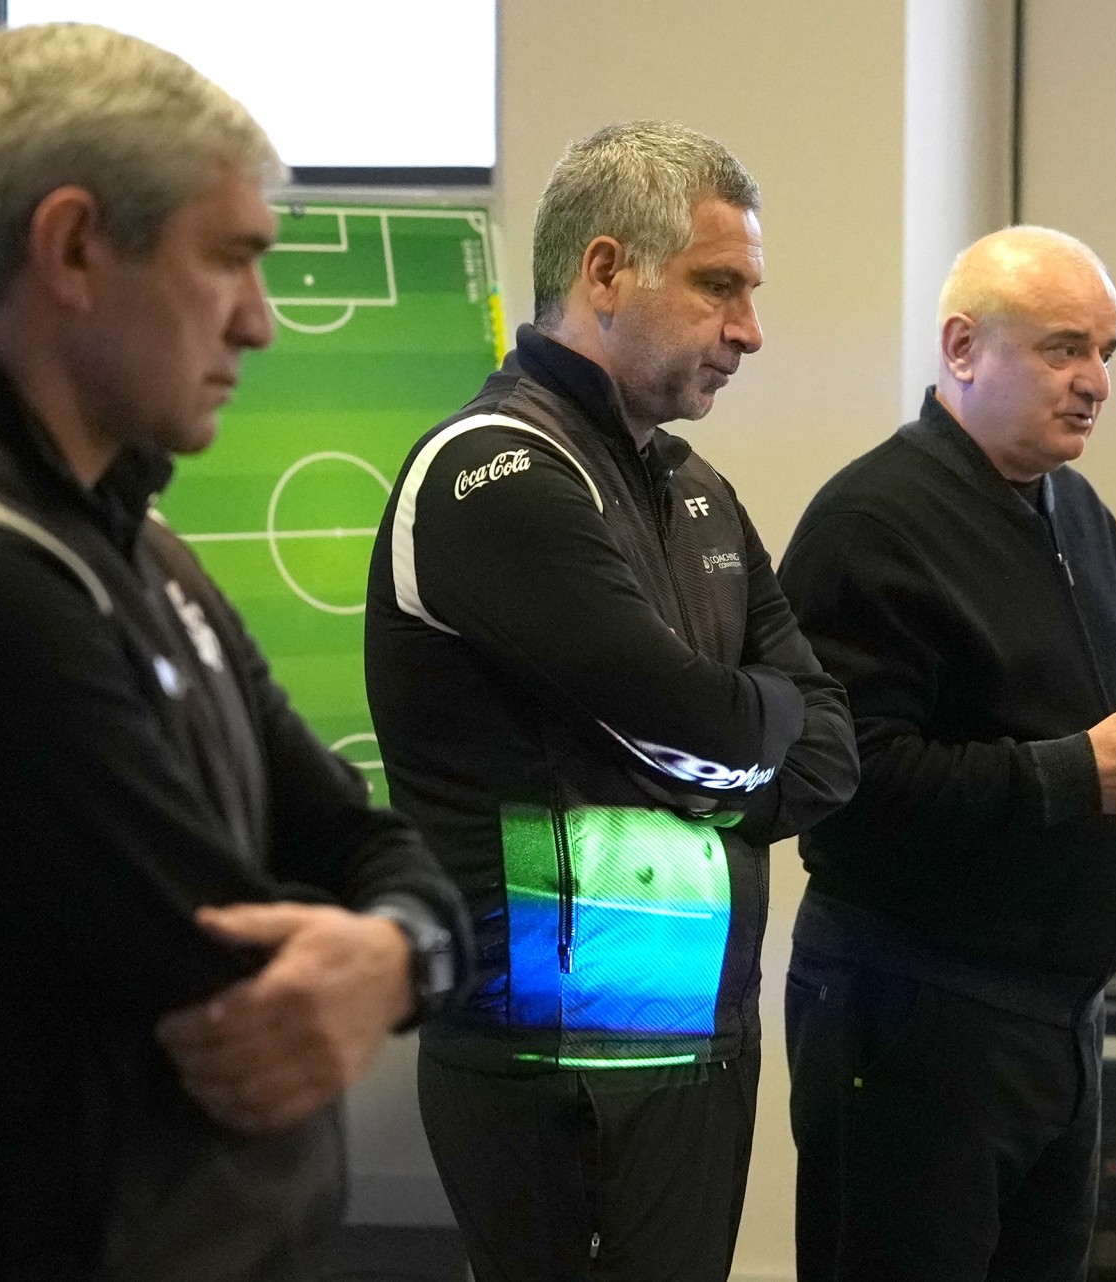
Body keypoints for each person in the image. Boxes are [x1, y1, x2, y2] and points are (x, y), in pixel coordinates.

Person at [0, 24, 469, 1280]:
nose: (260, 321)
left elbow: (353, 832)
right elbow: (238, 990)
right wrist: (396, 948)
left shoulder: (135, 541)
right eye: (229, 257)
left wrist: (395, 950)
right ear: (74, 247)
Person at [364, 120, 857, 1281]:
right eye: (719, 285)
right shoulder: (492, 473)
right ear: (603, 272)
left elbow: (831, 750)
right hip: (549, 1067)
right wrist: (742, 726)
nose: (750, 329)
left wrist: (730, 728)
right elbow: (711, 725)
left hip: (701, 1046)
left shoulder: (696, 488)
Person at [777, 226, 1116, 1282]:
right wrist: (1082, 775)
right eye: (1064, 349)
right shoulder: (871, 523)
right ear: (963, 348)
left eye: (1106, 352)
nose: (1095, 381)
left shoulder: (1077, 511)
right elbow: (847, 785)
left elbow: (1062, 724)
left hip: (1057, 1020)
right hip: (914, 1016)